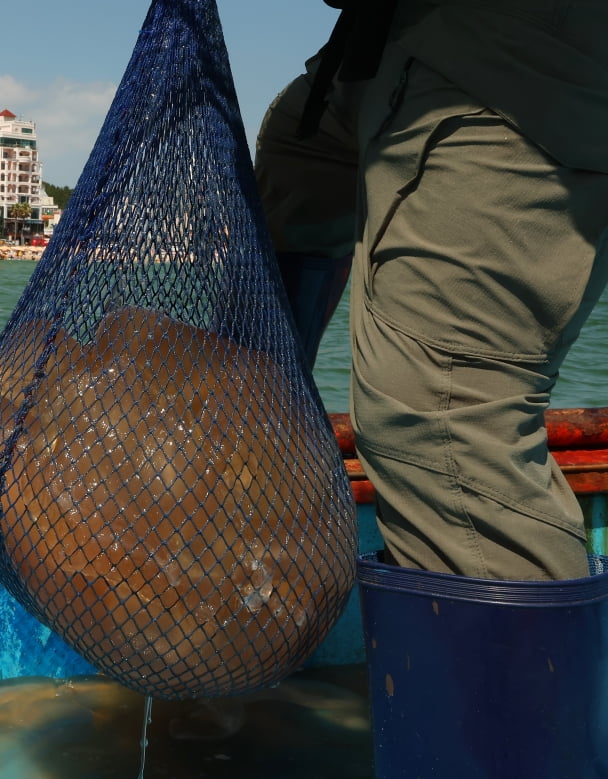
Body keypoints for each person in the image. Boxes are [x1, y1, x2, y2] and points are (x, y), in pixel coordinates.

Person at [255, 0, 608, 582]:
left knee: (440, 426)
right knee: (300, 149)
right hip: (383, 42)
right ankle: (257, 441)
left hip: (513, 57)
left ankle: (515, 671)